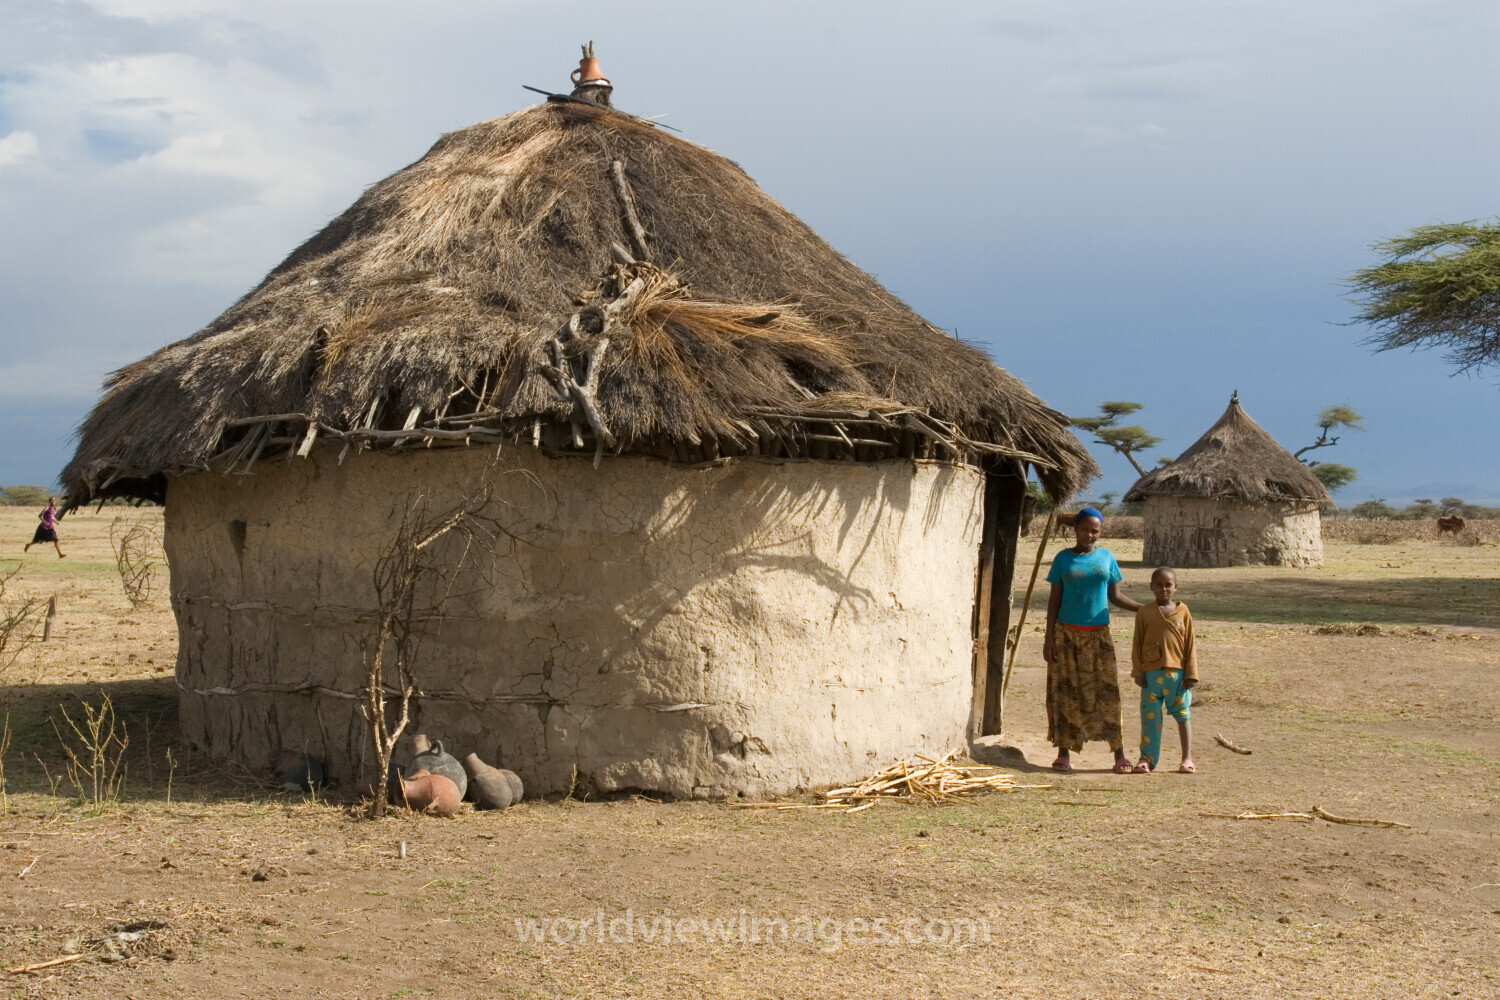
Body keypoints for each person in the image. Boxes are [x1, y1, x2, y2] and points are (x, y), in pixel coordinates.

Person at [1042, 507, 1141, 774]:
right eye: (1085, 529)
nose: (1090, 534)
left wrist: (1144, 609)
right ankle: (1064, 753)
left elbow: (1116, 597)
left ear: (1101, 531)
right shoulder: (1063, 559)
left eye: (1095, 530)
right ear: (1076, 529)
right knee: (1066, 693)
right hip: (1066, 635)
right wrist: (1048, 638)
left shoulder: (1107, 558)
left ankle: (1118, 753)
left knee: (1108, 693)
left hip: (1099, 636)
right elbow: (1054, 600)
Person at [1130, 567, 1197, 774]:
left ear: (1176, 587)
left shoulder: (1183, 612)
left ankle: (1186, 758)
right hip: (1151, 676)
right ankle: (1146, 759)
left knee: (1182, 715)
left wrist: (1191, 673)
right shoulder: (1145, 613)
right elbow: (1137, 642)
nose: (1163, 589)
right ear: (1151, 587)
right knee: (1150, 718)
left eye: (1168, 585)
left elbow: (1190, 644)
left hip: (1177, 676)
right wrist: (1138, 671)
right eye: (1158, 585)